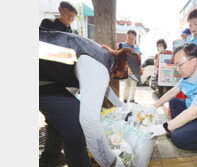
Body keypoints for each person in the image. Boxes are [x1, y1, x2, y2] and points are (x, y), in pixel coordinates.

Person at [39, 28, 143, 167]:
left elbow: (106, 90)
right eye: (129, 71)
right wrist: (111, 162)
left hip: (44, 77)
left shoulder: (103, 55)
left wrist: (123, 106)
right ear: (125, 64)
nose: (127, 75)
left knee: (64, 115)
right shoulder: (98, 67)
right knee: (75, 121)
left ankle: (51, 156)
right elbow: (90, 123)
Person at [39, 2, 78, 166]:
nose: (71, 19)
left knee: (54, 120)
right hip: (45, 79)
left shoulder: (73, 32)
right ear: (60, 10)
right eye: (68, 15)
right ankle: (51, 155)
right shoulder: (47, 25)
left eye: (73, 17)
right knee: (58, 118)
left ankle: (51, 154)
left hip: (63, 81)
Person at [118, 30, 142, 104]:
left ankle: (131, 99)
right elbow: (119, 57)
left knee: (134, 84)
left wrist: (140, 69)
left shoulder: (137, 47)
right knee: (127, 84)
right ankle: (125, 99)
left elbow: (139, 58)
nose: (131, 40)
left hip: (135, 69)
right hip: (126, 68)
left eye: (133, 38)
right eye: (129, 37)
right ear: (126, 36)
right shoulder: (121, 45)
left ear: (135, 38)